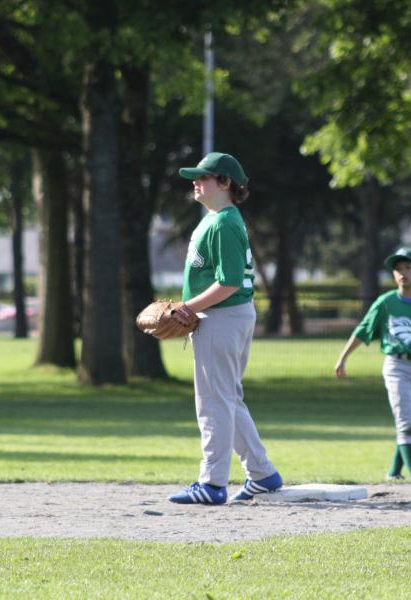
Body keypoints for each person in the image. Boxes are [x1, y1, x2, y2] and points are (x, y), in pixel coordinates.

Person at [166, 152, 282, 505]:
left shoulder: (224, 223)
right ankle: (262, 474)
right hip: (225, 317)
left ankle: (212, 483)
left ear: (225, 182)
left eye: (203, 176)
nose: (195, 182)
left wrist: (188, 307)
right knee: (227, 399)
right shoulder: (217, 219)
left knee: (213, 402)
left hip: (222, 317)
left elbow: (229, 282)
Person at [334, 248, 411, 481]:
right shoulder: (386, 302)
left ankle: (394, 472)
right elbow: (363, 330)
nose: (402, 273)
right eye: (398, 269)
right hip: (396, 366)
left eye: (408, 267)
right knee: (406, 422)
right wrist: (343, 357)